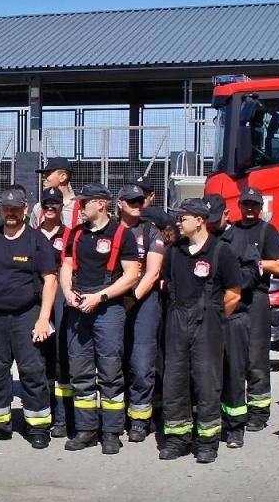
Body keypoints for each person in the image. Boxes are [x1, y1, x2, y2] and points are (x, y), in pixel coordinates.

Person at [0, 185, 58, 448]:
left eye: (15, 208)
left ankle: (38, 426)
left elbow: (50, 280)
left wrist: (43, 319)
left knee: (32, 371)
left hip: (26, 315)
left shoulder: (36, 239)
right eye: (6, 208)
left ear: (25, 209)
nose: (11, 212)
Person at [59, 182, 142, 454]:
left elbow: (132, 275)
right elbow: (67, 265)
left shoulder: (122, 235)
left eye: (85, 203)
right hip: (78, 307)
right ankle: (85, 430)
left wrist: (101, 297)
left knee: (110, 372)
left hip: (108, 309)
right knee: (80, 372)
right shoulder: (74, 234)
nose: (81, 207)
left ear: (101, 204)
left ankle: (111, 432)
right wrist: (67, 292)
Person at [160, 198, 243, 464]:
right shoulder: (174, 252)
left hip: (207, 325)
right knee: (174, 380)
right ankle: (178, 439)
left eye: (183, 217)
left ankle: (207, 442)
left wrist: (214, 317)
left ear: (199, 220)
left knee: (207, 382)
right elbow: (166, 282)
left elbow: (234, 293)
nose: (178, 222)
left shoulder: (221, 251)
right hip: (177, 321)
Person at [220, 187, 279, 444]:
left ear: (261, 207)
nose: (249, 209)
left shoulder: (267, 231)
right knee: (234, 356)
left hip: (256, 297)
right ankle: (237, 408)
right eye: (246, 204)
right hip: (234, 295)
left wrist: (256, 263)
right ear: (239, 205)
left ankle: (259, 410)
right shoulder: (232, 231)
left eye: (254, 205)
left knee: (256, 356)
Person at [115, 184, 166, 442]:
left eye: (139, 201)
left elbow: (153, 272)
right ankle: (117, 416)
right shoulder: (111, 230)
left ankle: (139, 420)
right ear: (120, 202)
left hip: (142, 302)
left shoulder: (151, 231)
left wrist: (132, 299)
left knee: (142, 363)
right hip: (113, 302)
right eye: (131, 201)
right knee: (114, 362)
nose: (136, 205)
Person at [36, 187, 72, 437]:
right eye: (46, 205)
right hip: (37, 299)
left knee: (62, 358)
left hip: (60, 299)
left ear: (61, 207)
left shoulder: (70, 235)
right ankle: (44, 411)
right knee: (40, 357)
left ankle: (63, 416)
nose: (50, 209)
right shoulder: (32, 235)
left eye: (54, 205)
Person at [32, 157, 81, 231]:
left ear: (63, 177)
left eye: (48, 174)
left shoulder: (81, 208)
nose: (43, 178)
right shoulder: (39, 208)